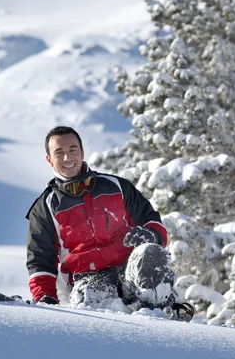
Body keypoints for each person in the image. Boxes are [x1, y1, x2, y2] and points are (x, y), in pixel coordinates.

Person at [26, 126, 192, 318]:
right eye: (59, 153)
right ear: (49, 159)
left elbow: (152, 220)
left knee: (150, 251)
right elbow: (40, 261)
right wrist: (45, 298)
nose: (67, 158)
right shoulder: (45, 207)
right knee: (89, 300)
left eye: (72, 150)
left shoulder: (116, 187)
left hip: (130, 270)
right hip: (89, 281)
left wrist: (151, 234)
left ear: (82, 152)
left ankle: (162, 314)